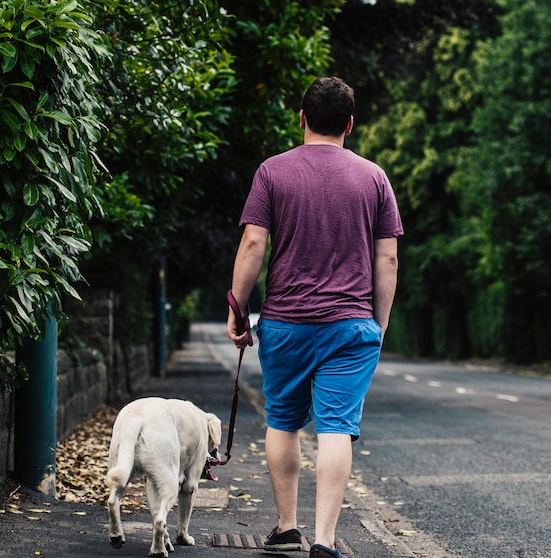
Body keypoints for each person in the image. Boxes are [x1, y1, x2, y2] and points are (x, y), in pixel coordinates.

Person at [226, 76, 403, 558]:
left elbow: (253, 244)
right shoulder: (374, 178)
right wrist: (378, 325)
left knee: (282, 421)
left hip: (285, 323)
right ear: (349, 123)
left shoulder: (272, 172)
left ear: (301, 119)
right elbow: (386, 260)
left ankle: (287, 527)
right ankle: (324, 540)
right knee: (336, 428)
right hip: (351, 326)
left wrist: (238, 310)